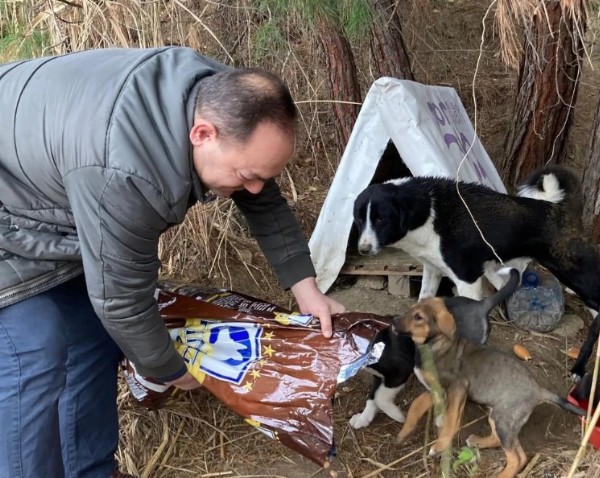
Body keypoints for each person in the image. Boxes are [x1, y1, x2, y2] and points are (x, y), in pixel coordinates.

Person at [0, 46, 345, 478]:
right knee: (33, 347)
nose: (255, 188)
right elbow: (122, 302)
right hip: (12, 206)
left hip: (48, 189)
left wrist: (306, 289)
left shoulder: (221, 96)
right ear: (202, 134)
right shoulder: (126, 171)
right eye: (245, 176)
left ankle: (89, 471)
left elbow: (262, 194)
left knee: (92, 334)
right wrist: (169, 369)